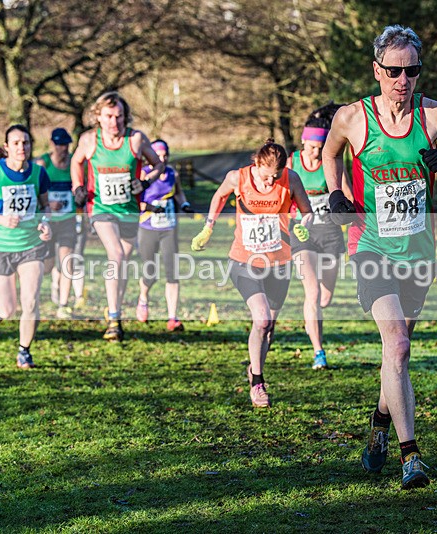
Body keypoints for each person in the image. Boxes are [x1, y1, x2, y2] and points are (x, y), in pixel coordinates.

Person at [322, 25, 437, 489]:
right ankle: (410, 455)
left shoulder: (435, 115)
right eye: (394, 70)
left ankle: (379, 423)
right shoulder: (352, 118)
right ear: (377, 71)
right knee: (395, 346)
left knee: (398, 354)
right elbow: (329, 154)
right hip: (370, 246)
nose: (403, 79)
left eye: (411, 70)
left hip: (418, 253)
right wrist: (335, 193)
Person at [191, 139, 313, 408]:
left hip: (279, 263)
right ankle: (258, 382)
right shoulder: (237, 178)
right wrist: (208, 228)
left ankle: (254, 367)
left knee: (269, 330)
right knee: (262, 320)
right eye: (267, 177)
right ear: (256, 163)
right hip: (244, 261)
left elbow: (307, 212)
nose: (271, 183)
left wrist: (303, 226)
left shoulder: (291, 179)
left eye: (275, 177)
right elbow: (219, 195)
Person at [70, 91, 167, 341]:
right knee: (115, 254)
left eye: (119, 116)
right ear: (98, 117)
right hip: (100, 208)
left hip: (129, 211)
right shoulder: (90, 140)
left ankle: (116, 310)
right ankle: (114, 319)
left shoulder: (135, 140)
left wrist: (145, 183)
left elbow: (158, 165)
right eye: (109, 116)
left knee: (122, 259)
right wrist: (77, 186)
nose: (114, 122)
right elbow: (76, 161)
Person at [0, 125, 53, 369]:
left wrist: (46, 223)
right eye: (15, 143)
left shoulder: (39, 173)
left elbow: (46, 206)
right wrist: (0, 219)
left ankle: (24, 351)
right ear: (6, 148)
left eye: (25, 142)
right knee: (7, 310)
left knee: (32, 301)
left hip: (31, 247)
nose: (21, 147)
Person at [287, 103, 353, 370]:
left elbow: (348, 196)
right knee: (312, 294)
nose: (316, 153)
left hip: (330, 232)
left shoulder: (332, 163)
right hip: (302, 233)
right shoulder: (291, 162)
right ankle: (319, 352)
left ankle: (314, 324)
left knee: (325, 297)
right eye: (312, 147)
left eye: (320, 148)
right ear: (303, 142)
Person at [135, 139, 192, 330]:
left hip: (169, 228)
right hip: (148, 228)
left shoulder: (172, 174)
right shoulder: (143, 175)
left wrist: (184, 204)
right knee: (150, 273)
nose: (163, 158)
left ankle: (172, 317)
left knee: (172, 273)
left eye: (165, 154)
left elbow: (179, 193)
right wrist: (151, 207)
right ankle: (143, 298)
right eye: (158, 155)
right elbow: (136, 203)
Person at [35, 127, 77, 319]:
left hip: (68, 221)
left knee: (67, 260)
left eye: (66, 144)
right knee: (48, 266)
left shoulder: (74, 164)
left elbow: (80, 187)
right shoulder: (42, 163)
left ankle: (63, 304)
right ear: (52, 144)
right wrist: (48, 203)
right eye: (59, 144)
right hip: (48, 222)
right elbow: (32, 191)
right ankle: (54, 283)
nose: (63, 148)